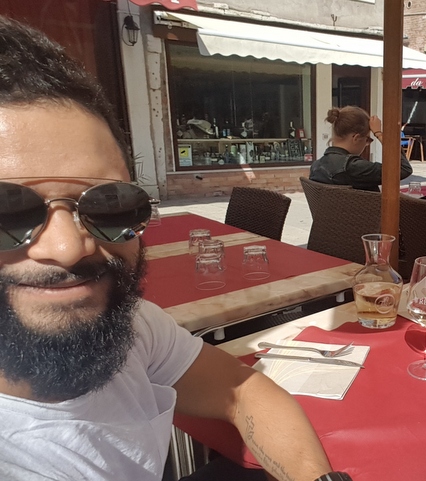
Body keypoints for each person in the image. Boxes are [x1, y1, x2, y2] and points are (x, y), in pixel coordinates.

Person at [0, 16, 351, 481]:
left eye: (108, 204)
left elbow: (241, 390)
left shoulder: (133, 325)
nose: (68, 247)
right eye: (8, 210)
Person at [310, 106, 413, 191]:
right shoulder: (354, 167)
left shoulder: (316, 166)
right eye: (367, 139)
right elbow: (404, 169)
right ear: (356, 138)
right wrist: (378, 133)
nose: (367, 144)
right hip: (369, 211)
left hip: (334, 211)